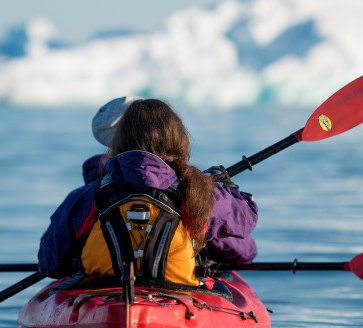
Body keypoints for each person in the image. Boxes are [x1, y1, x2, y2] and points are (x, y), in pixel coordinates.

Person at [38, 98, 258, 286]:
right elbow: (247, 221)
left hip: (101, 293)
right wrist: (225, 187)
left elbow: (51, 263)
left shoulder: (86, 196)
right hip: (178, 296)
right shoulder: (198, 191)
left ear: (119, 142)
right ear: (179, 140)